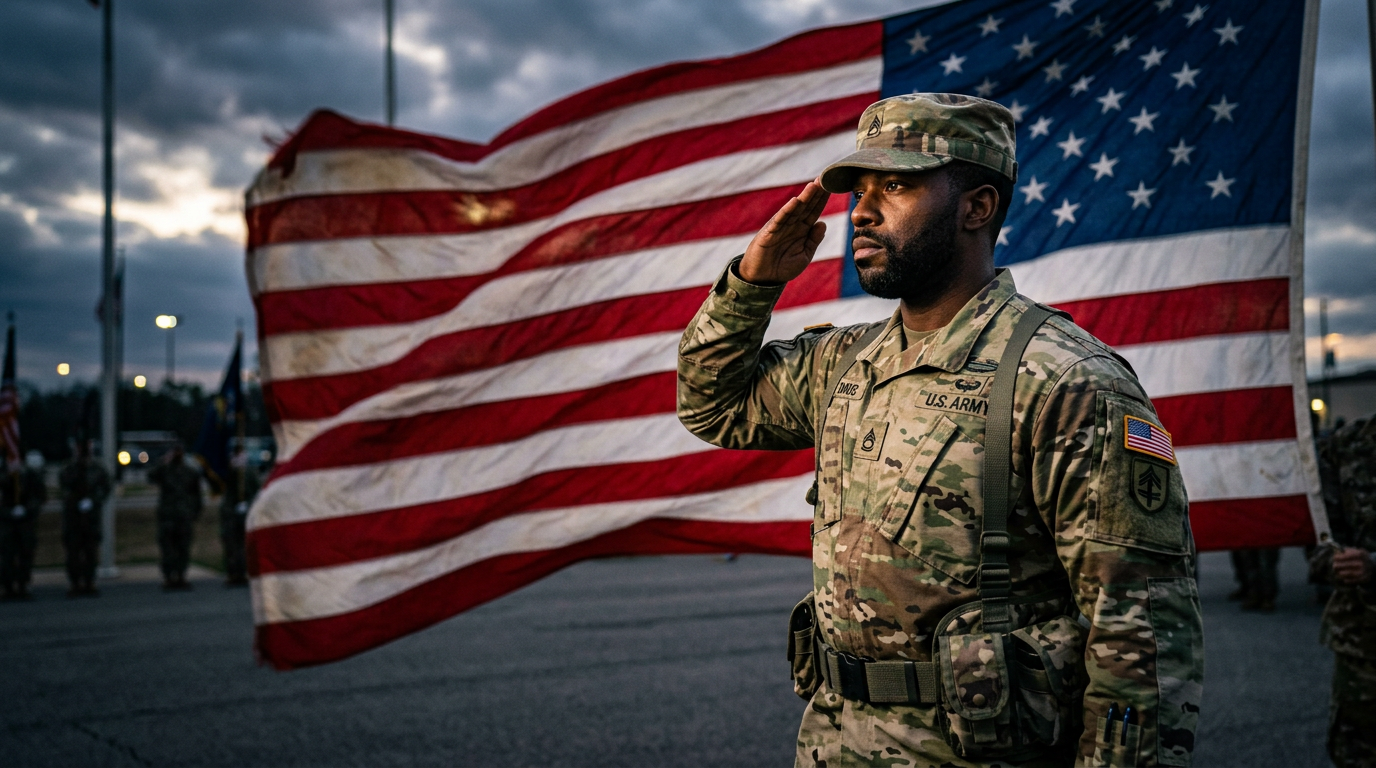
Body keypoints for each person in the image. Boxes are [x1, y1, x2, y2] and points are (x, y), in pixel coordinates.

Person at [677, 93, 1204, 767]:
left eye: (894, 186)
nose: (862, 212)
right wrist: (751, 283)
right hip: (835, 744)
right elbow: (711, 405)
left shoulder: (1065, 379)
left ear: (976, 207)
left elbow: (1141, 634)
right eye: (860, 191)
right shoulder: (843, 362)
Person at [1312, 414, 1376, 768]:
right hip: (1362, 643)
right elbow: (1319, 538)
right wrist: (1333, 561)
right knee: (1356, 753)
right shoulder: (1348, 445)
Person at [148, 442, 203, 590]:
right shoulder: (165, 470)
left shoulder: (190, 472)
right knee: (167, 548)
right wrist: (163, 462)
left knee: (183, 547)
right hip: (168, 516)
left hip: (184, 516)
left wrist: (195, 512)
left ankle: (181, 576)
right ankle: (169, 577)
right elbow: (151, 476)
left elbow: (196, 495)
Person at [59, 440, 110, 597]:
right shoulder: (68, 468)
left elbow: (106, 487)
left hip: (91, 518)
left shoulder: (98, 468)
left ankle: (89, 582)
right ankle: (75, 583)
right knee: (73, 553)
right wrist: (75, 501)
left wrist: (93, 500)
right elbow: (63, 488)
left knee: (90, 552)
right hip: (73, 518)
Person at [1, 451, 47, 600]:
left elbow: (40, 495)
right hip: (6, 523)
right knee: (6, 555)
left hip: (26, 522)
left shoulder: (30, 476)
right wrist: (8, 512)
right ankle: (7, 586)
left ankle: (23, 584)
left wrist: (27, 509)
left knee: (25, 553)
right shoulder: (3, 475)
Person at [219, 445, 260, 587]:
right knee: (231, 544)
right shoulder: (229, 471)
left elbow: (257, 492)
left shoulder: (250, 472)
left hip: (245, 513)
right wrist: (233, 470)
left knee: (244, 545)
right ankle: (232, 573)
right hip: (230, 513)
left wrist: (246, 505)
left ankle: (244, 572)